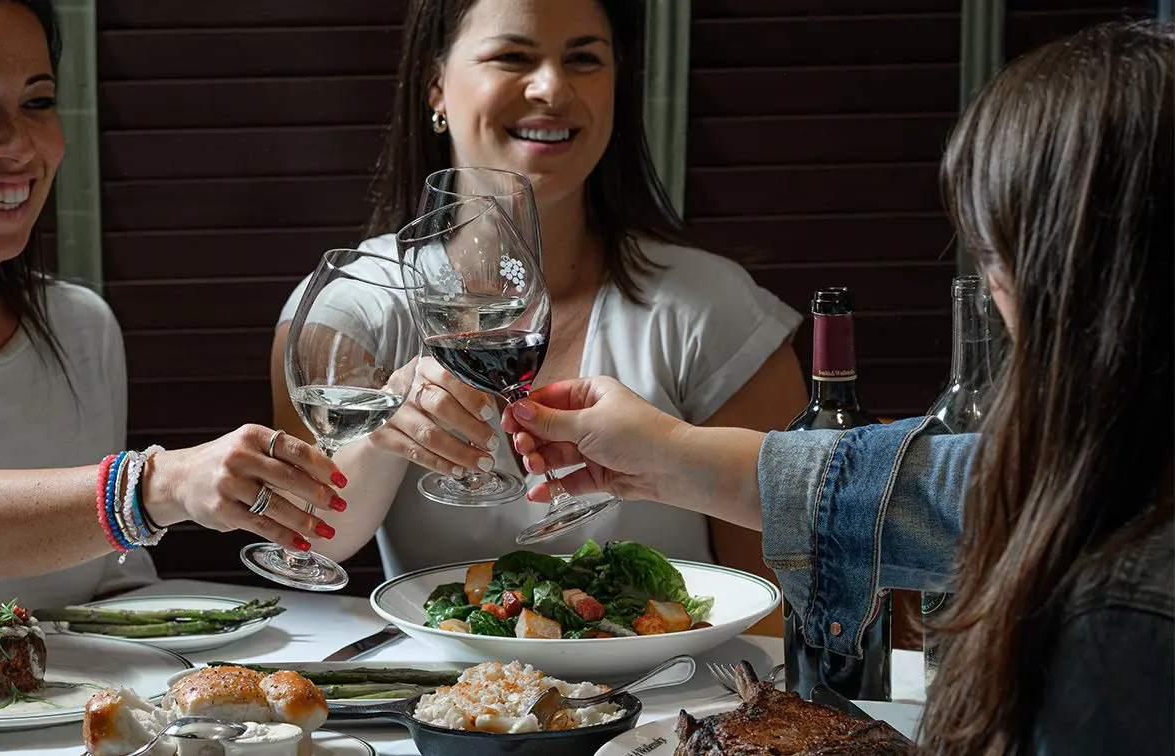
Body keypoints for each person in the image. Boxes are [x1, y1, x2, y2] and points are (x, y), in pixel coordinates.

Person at [502, 19, 1173, 754]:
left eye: (992, 250)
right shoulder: (1129, 477)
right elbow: (969, 489)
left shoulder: (1122, 620)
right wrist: (668, 454)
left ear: (1071, 278)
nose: (991, 285)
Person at [0, 0, 345, 651]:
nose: (19, 144)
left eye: (38, 102)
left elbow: (107, 592)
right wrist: (161, 483)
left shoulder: (80, 327)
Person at [270, 0, 806, 577]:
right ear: (435, 88)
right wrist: (380, 440)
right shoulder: (351, 303)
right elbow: (308, 541)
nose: (552, 87)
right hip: (444, 672)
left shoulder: (713, 311)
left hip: (677, 669)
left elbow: (781, 599)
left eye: (583, 59)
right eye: (512, 56)